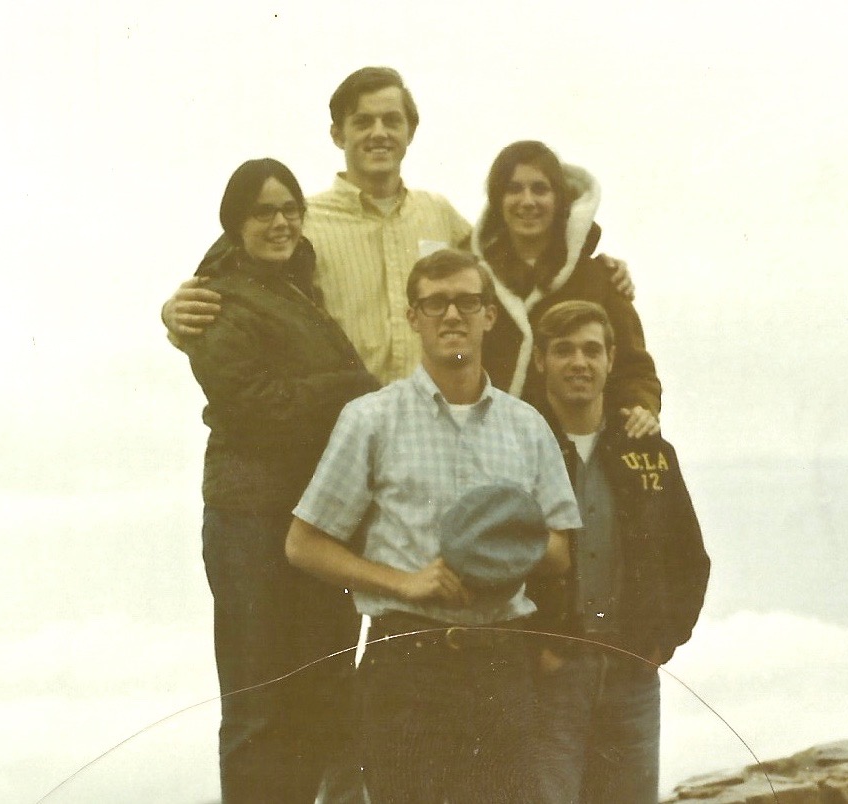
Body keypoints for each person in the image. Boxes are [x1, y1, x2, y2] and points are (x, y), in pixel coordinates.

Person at [284, 248, 583, 803]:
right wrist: (404, 583)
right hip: (406, 665)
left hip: (500, 662)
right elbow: (304, 544)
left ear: (490, 315)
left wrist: (490, 547)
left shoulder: (528, 425)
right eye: (435, 303)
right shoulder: (371, 418)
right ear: (413, 317)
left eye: (468, 302)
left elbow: (560, 550)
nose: (452, 315)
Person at [161, 69, 634, 381]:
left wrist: (597, 263)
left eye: (392, 120)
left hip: (431, 430)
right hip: (340, 429)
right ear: (337, 134)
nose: (379, 133)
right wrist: (172, 313)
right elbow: (230, 279)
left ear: (410, 131)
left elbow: (516, 264)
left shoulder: (440, 215)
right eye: (362, 122)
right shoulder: (299, 219)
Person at [183, 158, 379, 804]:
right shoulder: (216, 299)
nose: (280, 223)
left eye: (290, 209)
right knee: (258, 705)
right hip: (249, 521)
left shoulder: (295, 285)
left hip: (313, 520)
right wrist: (351, 388)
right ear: (235, 223)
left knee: (318, 698)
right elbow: (257, 408)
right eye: (263, 212)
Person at [527, 300, 711, 804]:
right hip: (549, 677)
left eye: (592, 350)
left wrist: (661, 643)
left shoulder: (649, 453)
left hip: (632, 677)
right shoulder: (519, 448)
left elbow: (690, 560)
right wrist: (534, 649)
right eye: (564, 350)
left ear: (611, 359)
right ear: (540, 360)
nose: (579, 363)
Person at [471, 140, 661, 437]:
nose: (527, 201)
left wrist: (641, 407)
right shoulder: (473, 279)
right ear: (497, 200)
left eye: (540, 189)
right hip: (493, 442)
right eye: (513, 189)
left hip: (580, 444)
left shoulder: (600, 279)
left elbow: (634, 368)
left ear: (559, 199)